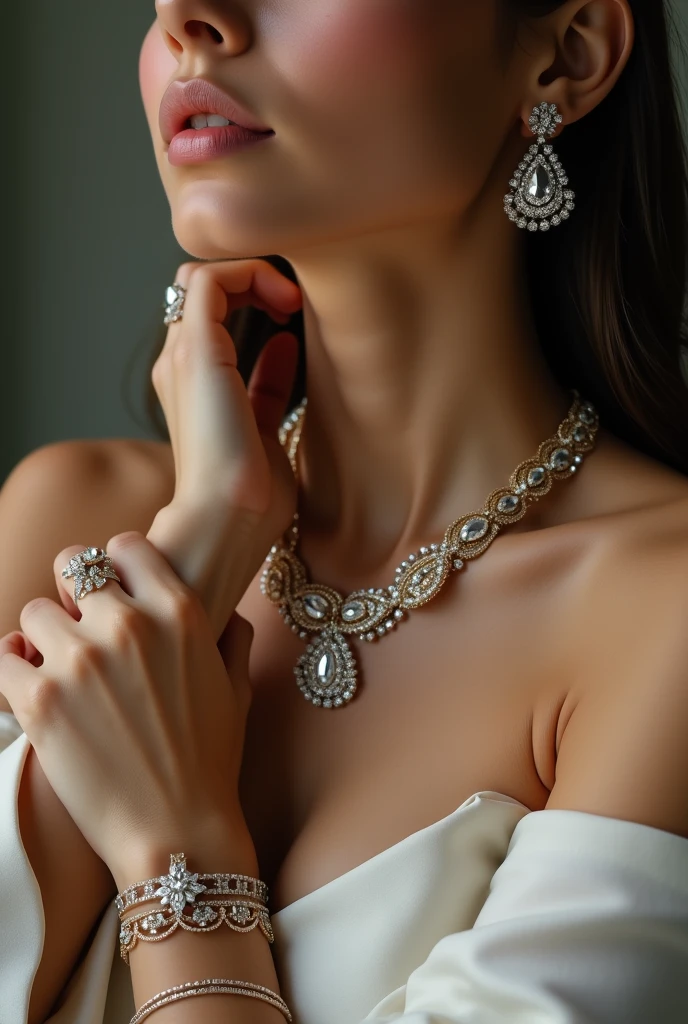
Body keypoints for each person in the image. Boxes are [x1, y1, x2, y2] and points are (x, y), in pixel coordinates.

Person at [1, 0, 688, 1020]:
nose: (189, 16)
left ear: (568, 51)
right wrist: (200, 550)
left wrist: (176, 849)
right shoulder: (68, 516)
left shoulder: (661, 619)